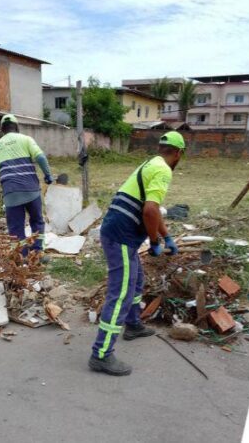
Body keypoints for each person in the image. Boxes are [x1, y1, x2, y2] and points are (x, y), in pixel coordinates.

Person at [89, 131, 185, 376]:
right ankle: (101, 355)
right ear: (178, 154)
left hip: (121, 234)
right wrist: (154, 242)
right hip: (121, 236)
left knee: (137, 280)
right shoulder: (163, 170)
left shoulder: (152, 163)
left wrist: (167, 237)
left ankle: (132, 325)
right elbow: (150, 210)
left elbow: (152, 211)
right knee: (120, 293)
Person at [0, 114, 53, 258]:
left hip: (11, 193)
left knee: (15, 227)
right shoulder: (26, 139)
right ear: (17, 127)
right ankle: (37, 255)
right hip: (31, 190)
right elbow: (41, 157)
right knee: (37, 221)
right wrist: (48, 175)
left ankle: (21, 258)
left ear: (2, 129)